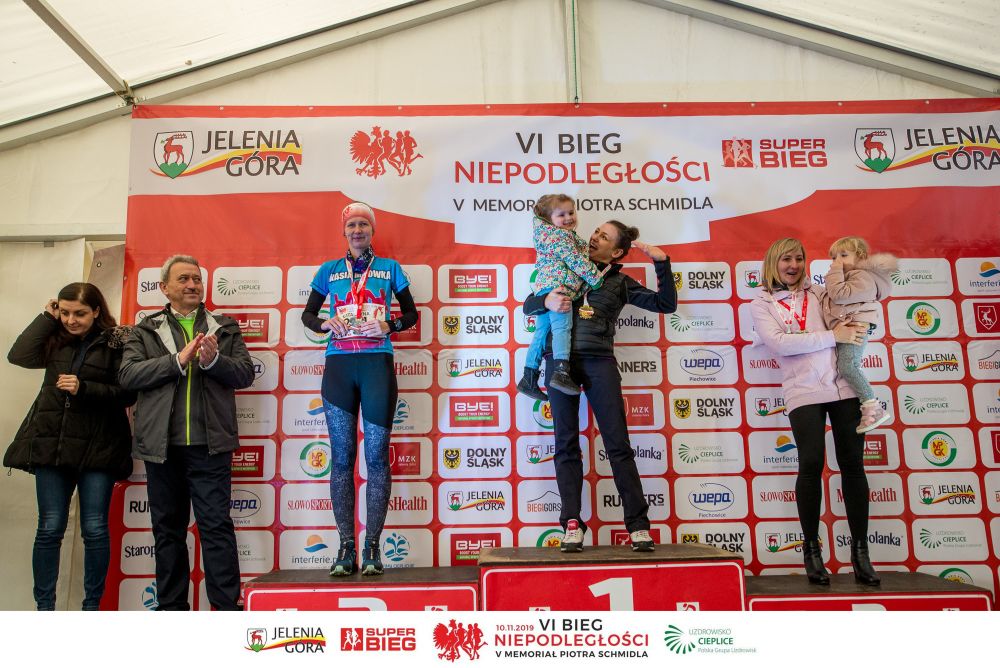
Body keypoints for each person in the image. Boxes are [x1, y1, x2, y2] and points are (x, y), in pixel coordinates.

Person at [523, 221, 677, 552]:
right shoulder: (564, 264)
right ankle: (571, 523)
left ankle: (638, 526)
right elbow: (528, 305)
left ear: (617, 251)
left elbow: (666, 305)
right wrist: (546, 301)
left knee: (618, 444)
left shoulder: (619, 282)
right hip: (559, 363)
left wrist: (662, 263)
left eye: (604, 237)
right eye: (596, 232)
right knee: (565, 444)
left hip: (599, 363)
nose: (594, 238)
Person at [118, 255, 254, 610]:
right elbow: (128, 376)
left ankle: (227, 610)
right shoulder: (145, 329)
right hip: (162, 449)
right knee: (167, 532)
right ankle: (172, 612)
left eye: (196, 279)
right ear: (164, 288)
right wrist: (177, 361)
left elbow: (244, 374)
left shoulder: (223, 327)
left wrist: (213, 361)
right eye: (183, 279)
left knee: (216, 528)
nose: (192, 285)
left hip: (210, 446)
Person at [750, 238, 880, 586]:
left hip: (844, 388)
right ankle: (811, 551)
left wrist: (861, 318)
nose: (793, 265)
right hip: (803, 391)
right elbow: (780, 343)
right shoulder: (760, 303)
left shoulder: (820, 292)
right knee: (810, 464)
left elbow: (851, 315)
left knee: (853, 465)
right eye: (786, 259)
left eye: (799, 258)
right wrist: (831, 335)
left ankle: (861, 553)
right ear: (773, 262)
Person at [301, 202, 418, 576]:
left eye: (363, 224)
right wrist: (324, 324)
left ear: (372, 231)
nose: (357, 230)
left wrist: (389, 326)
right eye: (351, 224)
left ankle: (372, 548)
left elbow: (411, 314)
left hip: (376, 365)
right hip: (339, 366)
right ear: (344, 230)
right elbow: (307, 314)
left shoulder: (390, 268)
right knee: (341, 459)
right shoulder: (329, 270)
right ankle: (345, 547)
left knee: (377, 457)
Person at [5, 283, 134, 610]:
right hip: (54, 446)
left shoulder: (118, 342)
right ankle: (44, 609)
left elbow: (128, 393)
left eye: (79, 313)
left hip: (99, 448)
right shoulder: (54, 337)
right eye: (64, 312)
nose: (71, 320)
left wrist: (84, 387)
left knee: (95, 529)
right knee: (49, 528)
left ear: (96, 311)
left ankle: (91, 608)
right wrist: (45, 318)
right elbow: (18, 355)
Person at [517, 194, 606, 401]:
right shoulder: (560, 237)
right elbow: (576, 261)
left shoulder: (550, 235)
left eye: (571, 212)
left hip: (545, 288)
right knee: (562, 329)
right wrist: (595, 278)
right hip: (558, 288)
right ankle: (561, 372)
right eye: (561, 215)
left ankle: (528, 377)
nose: (568, 218)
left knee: (541, 333)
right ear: (549, 219)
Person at [823, 236, 897, 433]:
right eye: (833, 258)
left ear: (861, 257)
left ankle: (873, 407)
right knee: (846, 365)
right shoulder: (853, 277)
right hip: (849, 326)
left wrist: (834, 271)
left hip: (856, 327)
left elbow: (838, 294)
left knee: (849, 365)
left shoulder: (862, 277)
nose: (837, 261)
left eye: (843, 255)